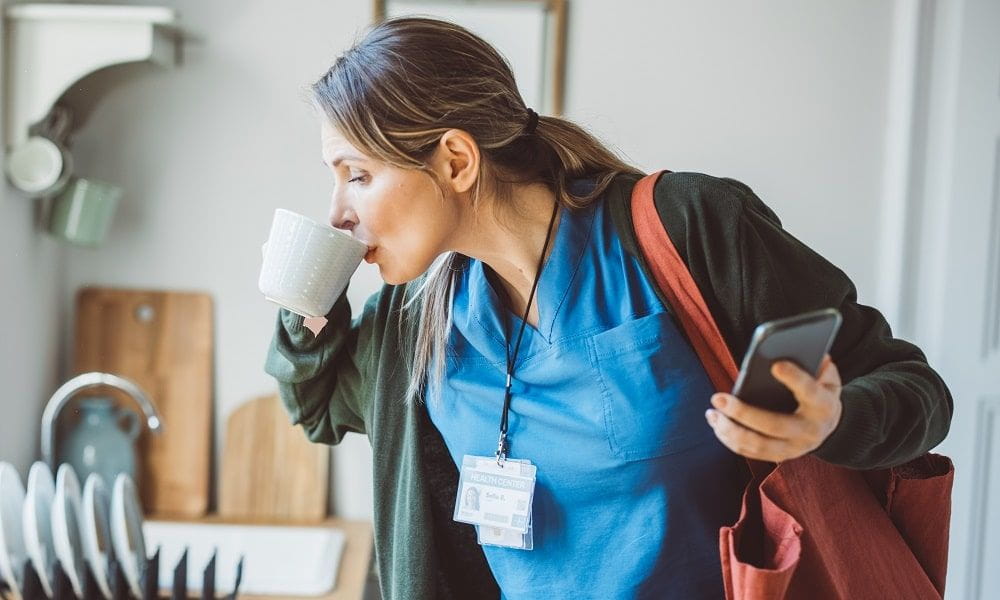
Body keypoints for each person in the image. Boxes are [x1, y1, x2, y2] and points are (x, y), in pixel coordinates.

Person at [264, 16, 952, 600]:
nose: (338, 213)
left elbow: (917, 394)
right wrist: (307, 298)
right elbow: (321, 409)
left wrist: (831, 423)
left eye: (357, 175)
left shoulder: (689, 228)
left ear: (454, 161)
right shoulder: (422, 315)